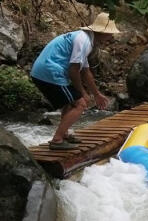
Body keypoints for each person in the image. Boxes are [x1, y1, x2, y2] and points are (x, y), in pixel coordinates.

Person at [30, 13, 119, 150]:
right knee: (80, 104)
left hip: (46, 71)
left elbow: (85, 71)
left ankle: (64, 134)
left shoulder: (85, 39)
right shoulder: (83, 40)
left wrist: (96, 94)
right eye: (110, 34)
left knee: (70, 102)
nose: (111, 37)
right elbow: (74, 70)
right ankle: (57, 139)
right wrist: (83, 93)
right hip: (50, 72)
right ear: (102, 32)